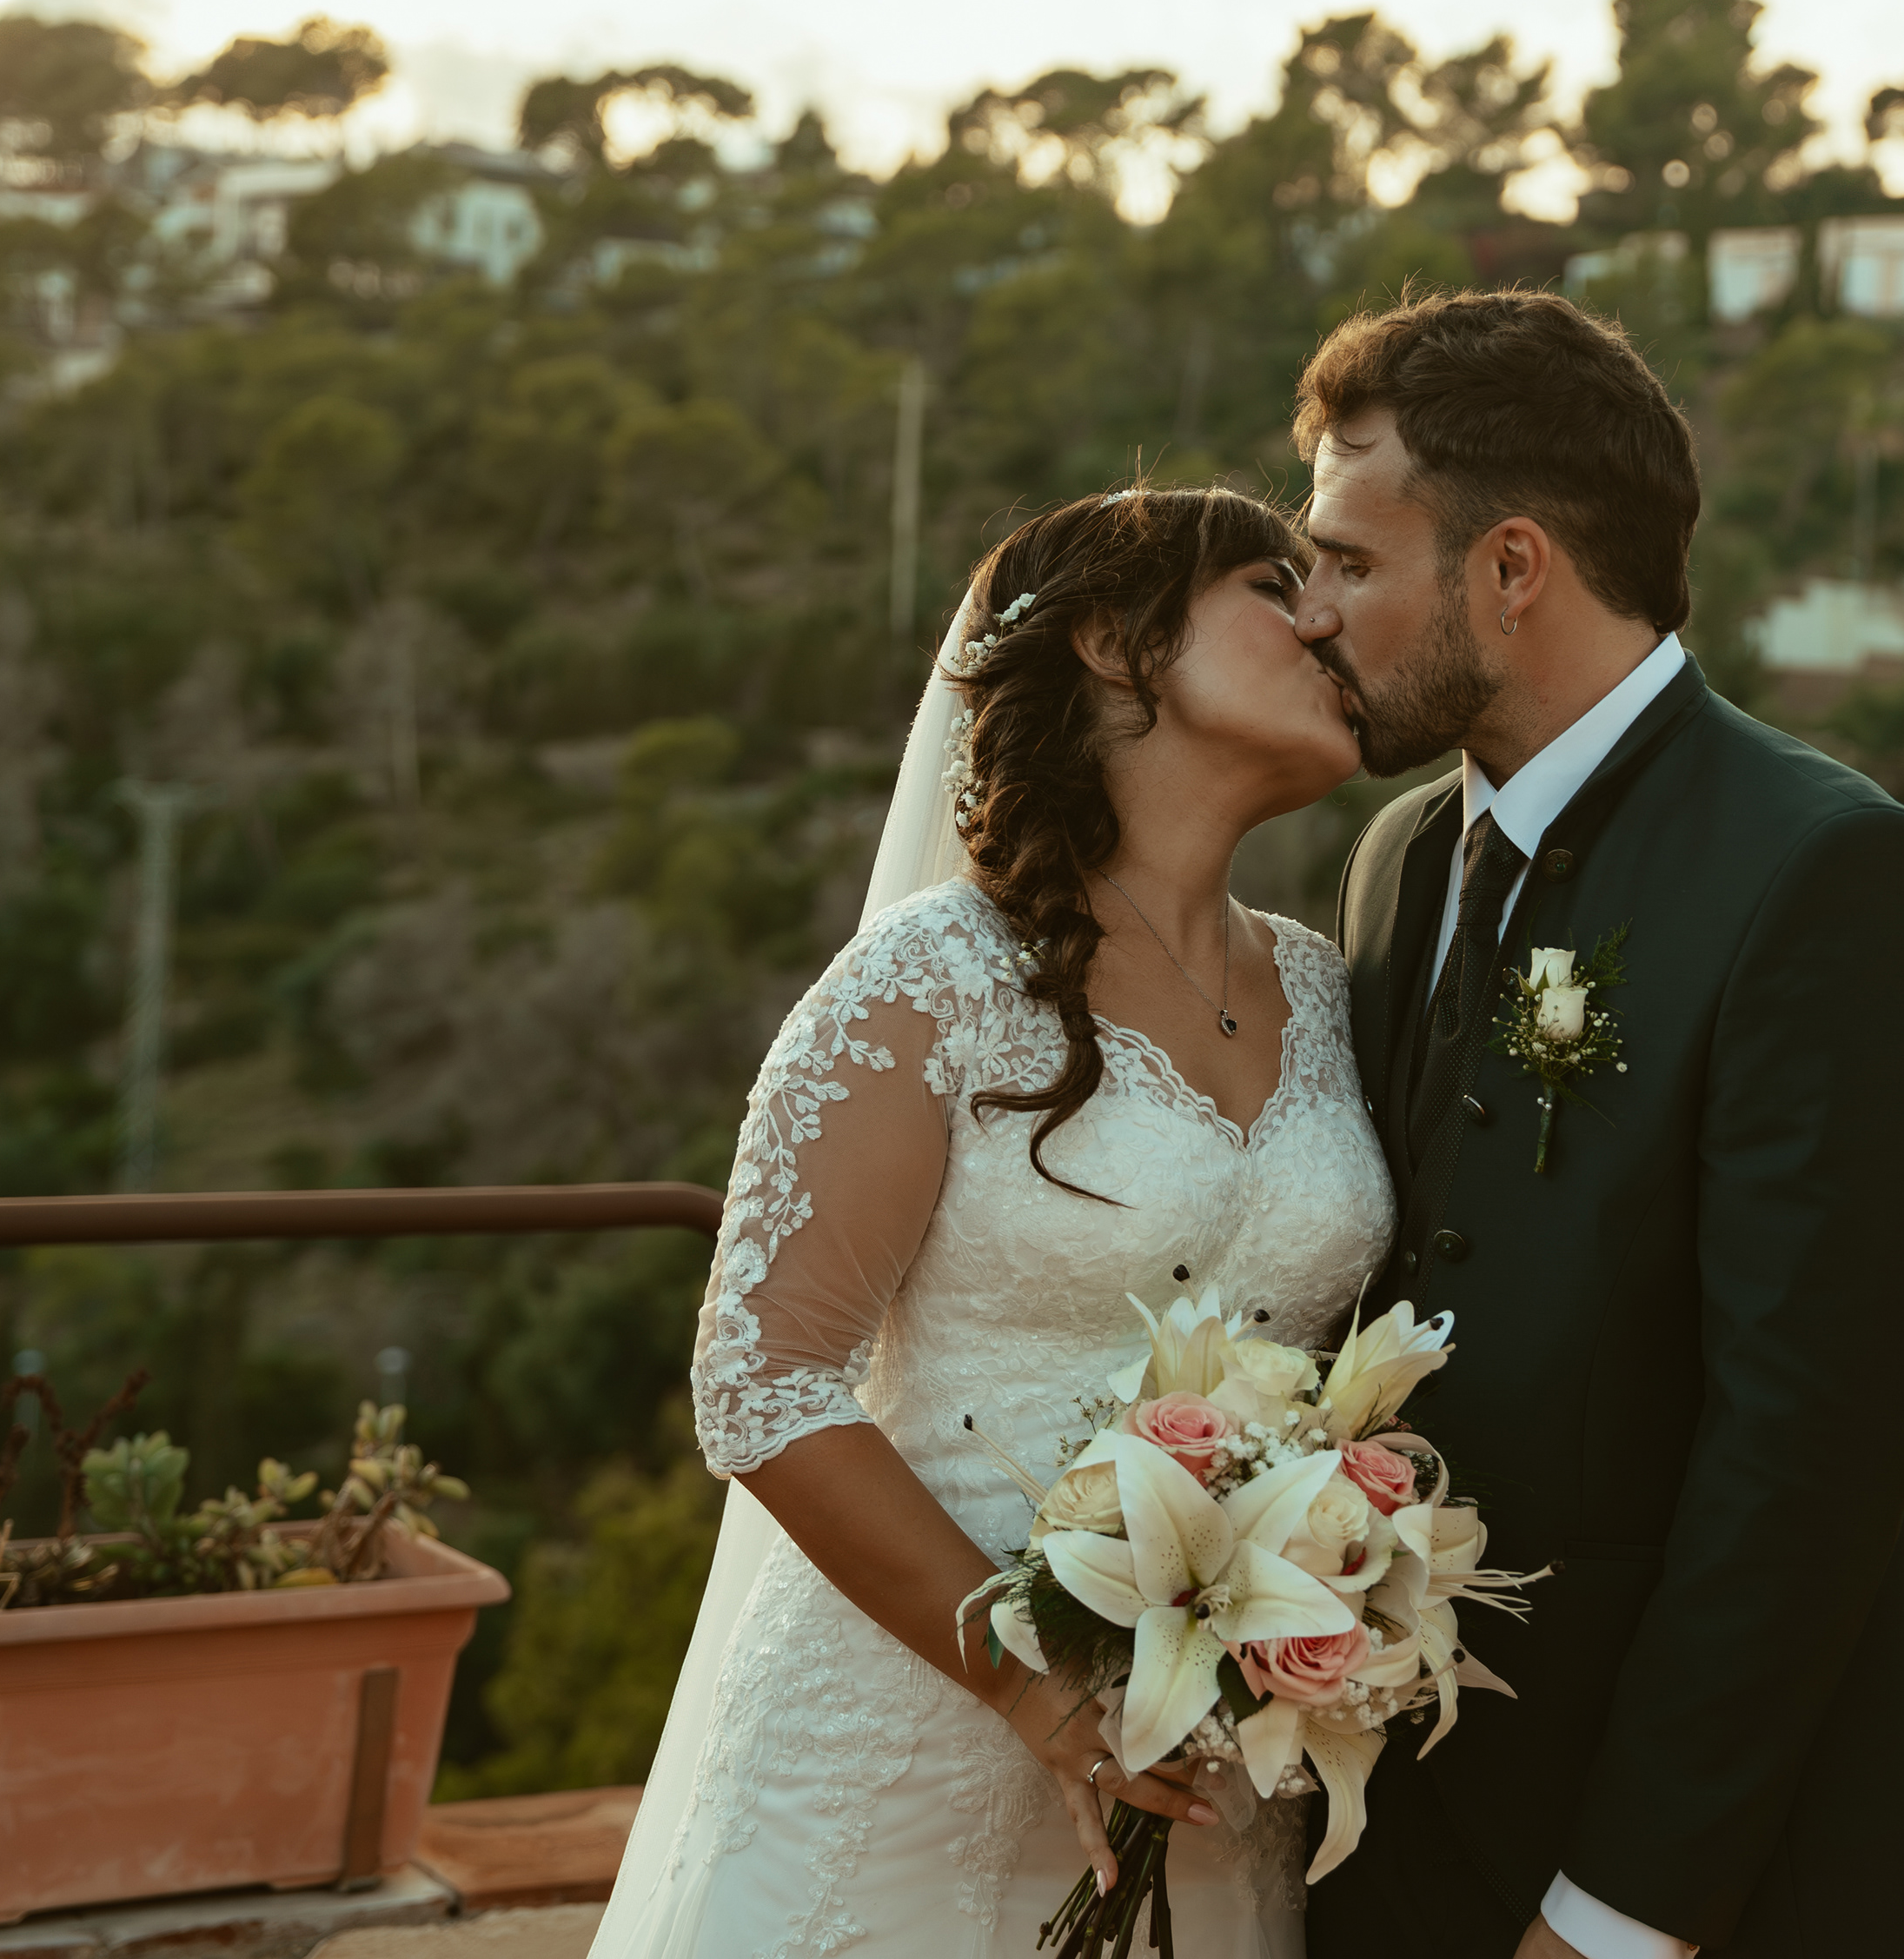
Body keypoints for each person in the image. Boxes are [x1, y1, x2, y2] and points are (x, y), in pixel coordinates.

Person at [1290, 289, 1904, 1959]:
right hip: (1421, 1825)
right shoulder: (1396, 864)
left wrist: (1620, 1912)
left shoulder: (1829, 878)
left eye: (1350, 561)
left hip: (1744, 1873)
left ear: (1513, 569)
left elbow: (1810, 1457)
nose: (1313, 610)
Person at [592, 487, 1395, 1958]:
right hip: (900, 1764)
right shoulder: (927, 981)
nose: (1327, 621)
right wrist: (1039, 1689)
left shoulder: (1332, 991)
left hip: (1215, 1779)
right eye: (1273, 585)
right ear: (1112, 642)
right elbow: (763, 1381)